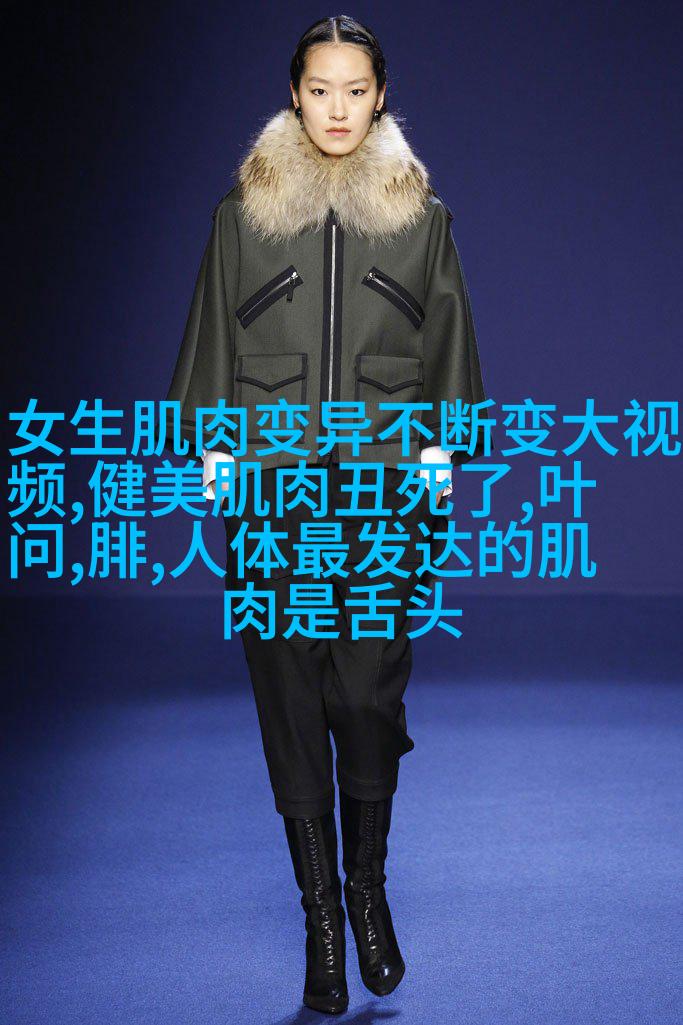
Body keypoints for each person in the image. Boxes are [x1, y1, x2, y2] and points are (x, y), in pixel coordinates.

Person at [164, 15, 492, 1016]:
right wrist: (214, 447)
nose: (338, 108)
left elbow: (447, 335)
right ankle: (320, 921)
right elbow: (213, 332)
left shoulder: (419, 218)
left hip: (385, 489)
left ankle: (365, 888)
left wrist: (440, 448)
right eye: (320, 89)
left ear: (380, 95)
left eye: (355, 89)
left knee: (364, 694)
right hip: (272, 490)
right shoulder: (243, 216)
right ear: (294, 94)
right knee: (289, 698)